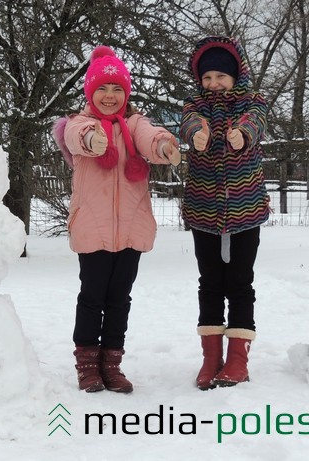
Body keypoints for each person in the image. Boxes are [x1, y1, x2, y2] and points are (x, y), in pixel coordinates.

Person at [54, 46, 180, 393]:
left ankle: (112, 365)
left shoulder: (135, 124)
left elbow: (151, 138)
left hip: (131, 226)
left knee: (120, 299)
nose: (110, 96)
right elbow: (76, 137)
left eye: (117, 89)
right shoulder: (80, 123)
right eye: (103, 89)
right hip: (93, 227)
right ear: (90, 92)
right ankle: (87, 366)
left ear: (126, 93)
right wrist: (94, 138)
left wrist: (165, 146)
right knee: (92, 297)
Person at [179, 36, 270, 390]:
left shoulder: (253, 103)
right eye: (207, 77)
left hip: (246, 210)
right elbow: (187, 124)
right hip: (203, 211)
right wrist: (195, 132)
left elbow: (256, 122)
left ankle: (237, 360)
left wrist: (243, 134)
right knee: (210, 283)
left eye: (220, 75)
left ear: (235, 75)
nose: (214, 83)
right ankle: (210, 358)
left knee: (241, 283)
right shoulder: (194, 106)